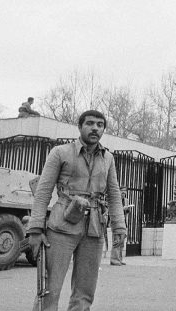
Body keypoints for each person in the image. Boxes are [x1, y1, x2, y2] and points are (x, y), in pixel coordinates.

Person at [26, 110, 126, 311]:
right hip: (61, 226)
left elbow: (114, 194)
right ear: (79, 127)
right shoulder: (60, 152)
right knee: (50, 289)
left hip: (95, 229)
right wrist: (35, 229)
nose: (95, 128)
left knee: (85, 291)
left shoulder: (108, 158)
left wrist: (119, 227)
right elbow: (44, 191)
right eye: (89, 123)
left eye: (100, 125)